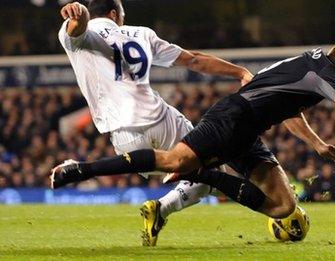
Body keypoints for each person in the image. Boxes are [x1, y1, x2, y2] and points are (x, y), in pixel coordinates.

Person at [51, 39, 335, 228]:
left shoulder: (311, 66)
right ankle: (79, 170)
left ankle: (202, 174)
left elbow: (289, 111)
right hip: (233, 118)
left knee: (282, 206)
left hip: (249, 130)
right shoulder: (326, 74)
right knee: (173, 160)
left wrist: (318, 144)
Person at [54, 0, 253, 246]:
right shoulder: (142, 34)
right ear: (114, 13)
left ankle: (167, 199)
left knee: (202, 174)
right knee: (209, 175)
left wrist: (79, 13)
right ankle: (163, 208)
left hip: (126, 137)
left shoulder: (78, 36)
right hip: (162, 120)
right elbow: (193, 60)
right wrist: (240, 72)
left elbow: (77, 27)